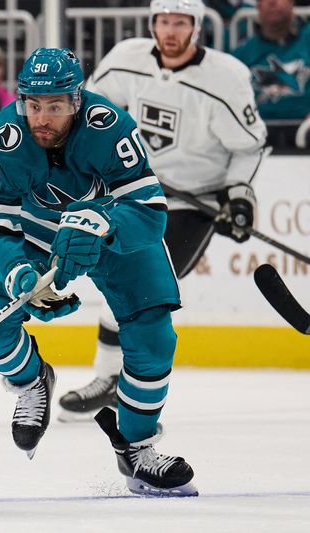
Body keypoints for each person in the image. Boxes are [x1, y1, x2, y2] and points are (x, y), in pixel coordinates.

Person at [0, 47, 197, 496]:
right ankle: (31, 380)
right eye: (34, 105)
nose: (42, 119)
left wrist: (105, 222)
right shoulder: (0, 142)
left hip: (109, 231)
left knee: (154, 335)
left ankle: (137, 447)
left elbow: (149, 212)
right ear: (21, 101)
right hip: (32, 235)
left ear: (76, 99)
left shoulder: (111, 129)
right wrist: (17, 274)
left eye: (54, 106)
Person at [57, 0, 267, 423]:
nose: (170, 31)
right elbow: (91, 114)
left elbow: (249, 147)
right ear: (153, 23)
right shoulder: (125, 60)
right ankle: (111, 384)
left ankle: (120, 387)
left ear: (197, 27)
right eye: (163, 21)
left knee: (142, 290)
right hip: (136, 193)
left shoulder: (226, 78)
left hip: (193, 202)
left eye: (180, 22)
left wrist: (239, 196)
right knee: (122, 283)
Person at [232, 0, 310, 147]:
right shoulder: (241, 56)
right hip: (257, 139)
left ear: (291, 3)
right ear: (258, 6)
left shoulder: (307, 39)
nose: (272, 2)